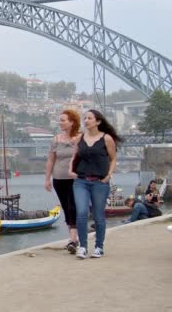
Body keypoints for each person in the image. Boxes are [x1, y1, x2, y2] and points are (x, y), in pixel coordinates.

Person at [69, 109, 122, 259]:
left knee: (98, 216)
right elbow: (74, 157)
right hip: (81, 181)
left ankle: (99, 247)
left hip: (100, 182)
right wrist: (71, 170)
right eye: (84, 118)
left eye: (89, 118)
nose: (86, 121)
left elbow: (113, 159)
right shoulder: (80, 138)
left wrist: (108, 176)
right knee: (81, 213)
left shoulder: (106, 139)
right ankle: (83, 247)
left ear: (98, 122)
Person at [45, 109, 81, 254]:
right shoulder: (56, 139)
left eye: (63, 120)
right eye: (59, 120)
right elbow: (51, 159)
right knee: (66, 207)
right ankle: (73, 239)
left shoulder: (80, 137)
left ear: (72, 122)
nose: (60, 123)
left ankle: (73, 239)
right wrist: (47, 179)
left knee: (73, 206)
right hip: (59, 179)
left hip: (75, 179)